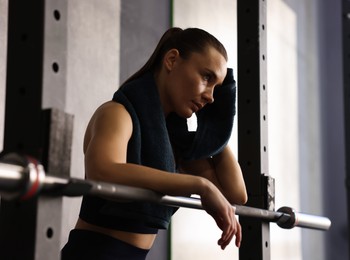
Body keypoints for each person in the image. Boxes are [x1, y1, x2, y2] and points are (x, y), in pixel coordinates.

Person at [61, 27, 247, 260]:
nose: (211, 96)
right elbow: (102, 170)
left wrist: (215, 128)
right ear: (172, 60)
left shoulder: (173, 140)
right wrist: (201, 186)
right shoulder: (118, 113)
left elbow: (235, 194)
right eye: (206, 77)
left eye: (217, 89)